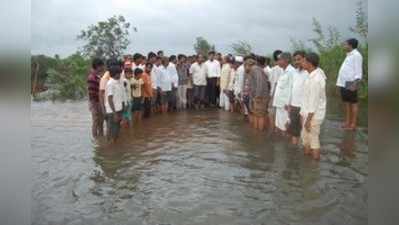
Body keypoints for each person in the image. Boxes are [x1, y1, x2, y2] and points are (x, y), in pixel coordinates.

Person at [300, 52, 327, 160]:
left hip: (313, 116)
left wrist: (308, 120)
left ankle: (314, 167)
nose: (302, 63)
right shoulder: (311, 75)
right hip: (308, 114)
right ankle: (308, 165)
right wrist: (303, 115)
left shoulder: (316, 79)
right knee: (306, 140)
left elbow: (313, 102)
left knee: (313, 140)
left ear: (309, 63)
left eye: (304, 61)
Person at [336, 38, 363, 130]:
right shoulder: (349, 55)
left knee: (353, 103)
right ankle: (347, 122)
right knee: (347, 103)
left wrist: (355, 84)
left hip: (351, 82)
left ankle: (353, 124)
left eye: (345, 44)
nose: (344, 46)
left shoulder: (357, 55)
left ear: (350, 45)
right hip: (344, 82)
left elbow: (358, 71)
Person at [287, 51, 308, 145]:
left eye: (299, 59)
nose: (297, 62)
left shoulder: (309, 72)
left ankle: (305, 152)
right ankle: (294, 154)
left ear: (304, 59)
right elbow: (291, 88)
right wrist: (289, 104)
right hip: (294, 105)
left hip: (305, 106)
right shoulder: (294, 73)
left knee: (306, 131)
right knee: (294, 131)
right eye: (295, 60)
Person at [273, 52, 295, 134]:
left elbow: (291, 89)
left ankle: (285, 145)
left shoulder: (291, 72)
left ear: (287, 60)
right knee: (279, 127)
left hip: (285, 105)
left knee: (285, 128)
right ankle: (280, 145)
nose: (278, 62)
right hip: (279, 104)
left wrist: (289, 104)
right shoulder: (283, 71)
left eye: (280, 60)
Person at [246, 58, 270, 131]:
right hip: (257, 96)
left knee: (260, 115)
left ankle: (259, 134)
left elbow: (260, 83)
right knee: (256, 114)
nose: (244, 68)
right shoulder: (253, 70)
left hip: (260, 97)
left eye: (245, 65)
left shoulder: (255, 69)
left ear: (248, 65)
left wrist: (257, 96)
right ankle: (256, 132)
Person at [104, 65, 124, 143]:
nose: (120, 75)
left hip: (118, 109)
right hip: (113, 111)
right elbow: (110, 99)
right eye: (118, 73)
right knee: (113, 130)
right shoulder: (110, 83)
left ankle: (114, 146)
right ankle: (110, 147)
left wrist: (122, 107)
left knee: (117, 130)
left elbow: (120, 96)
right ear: (114, 74)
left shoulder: (118, 82)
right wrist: (115, 113)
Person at [87, 58, 105, 137]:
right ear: (97, 66)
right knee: (96, 121)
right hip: (95, 102)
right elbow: (91, 94)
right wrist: (95, 106)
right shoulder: (92, 77)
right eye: (101, 66)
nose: (103, 68)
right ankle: (95, 139)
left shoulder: (98, 76)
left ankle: (100, 138)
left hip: (98, 101)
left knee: (100, 121)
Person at [268, 50, 283, 130]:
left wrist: (271, 97)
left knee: (272, 115)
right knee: (280, 117)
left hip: (274, 95)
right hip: (282, 97)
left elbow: (271, 83)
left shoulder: (273, 69)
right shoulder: (285, 69)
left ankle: (272, 132)